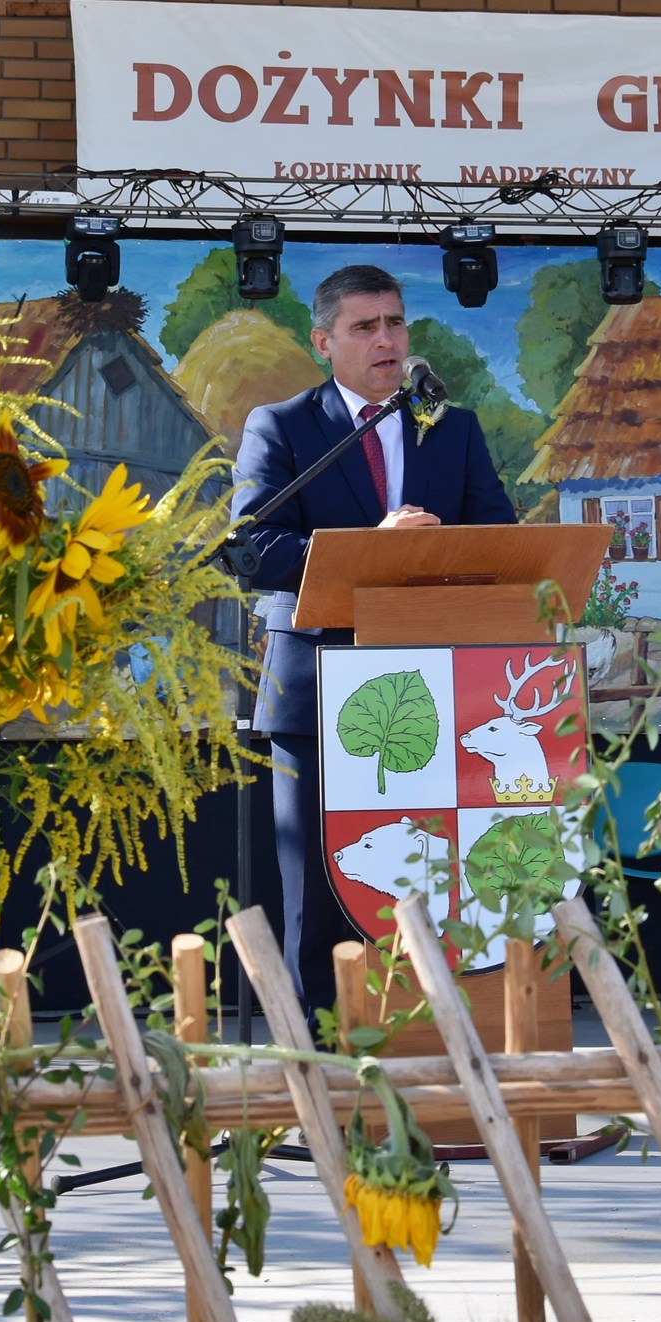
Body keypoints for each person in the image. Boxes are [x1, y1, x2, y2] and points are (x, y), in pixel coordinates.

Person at [230, 264, 516, 1021]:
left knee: (430, 876)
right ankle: (316, 1057)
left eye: (394, 323)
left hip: (436, 692)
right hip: (316, 686)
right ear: (324, 342)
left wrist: (433, 551)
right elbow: (254, 547)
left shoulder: (452, 428)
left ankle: (433, 1044)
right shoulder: (283, 426)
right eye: (365, 327)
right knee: (318, 890)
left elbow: (499, 539)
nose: (386, 340)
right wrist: (371, 549)